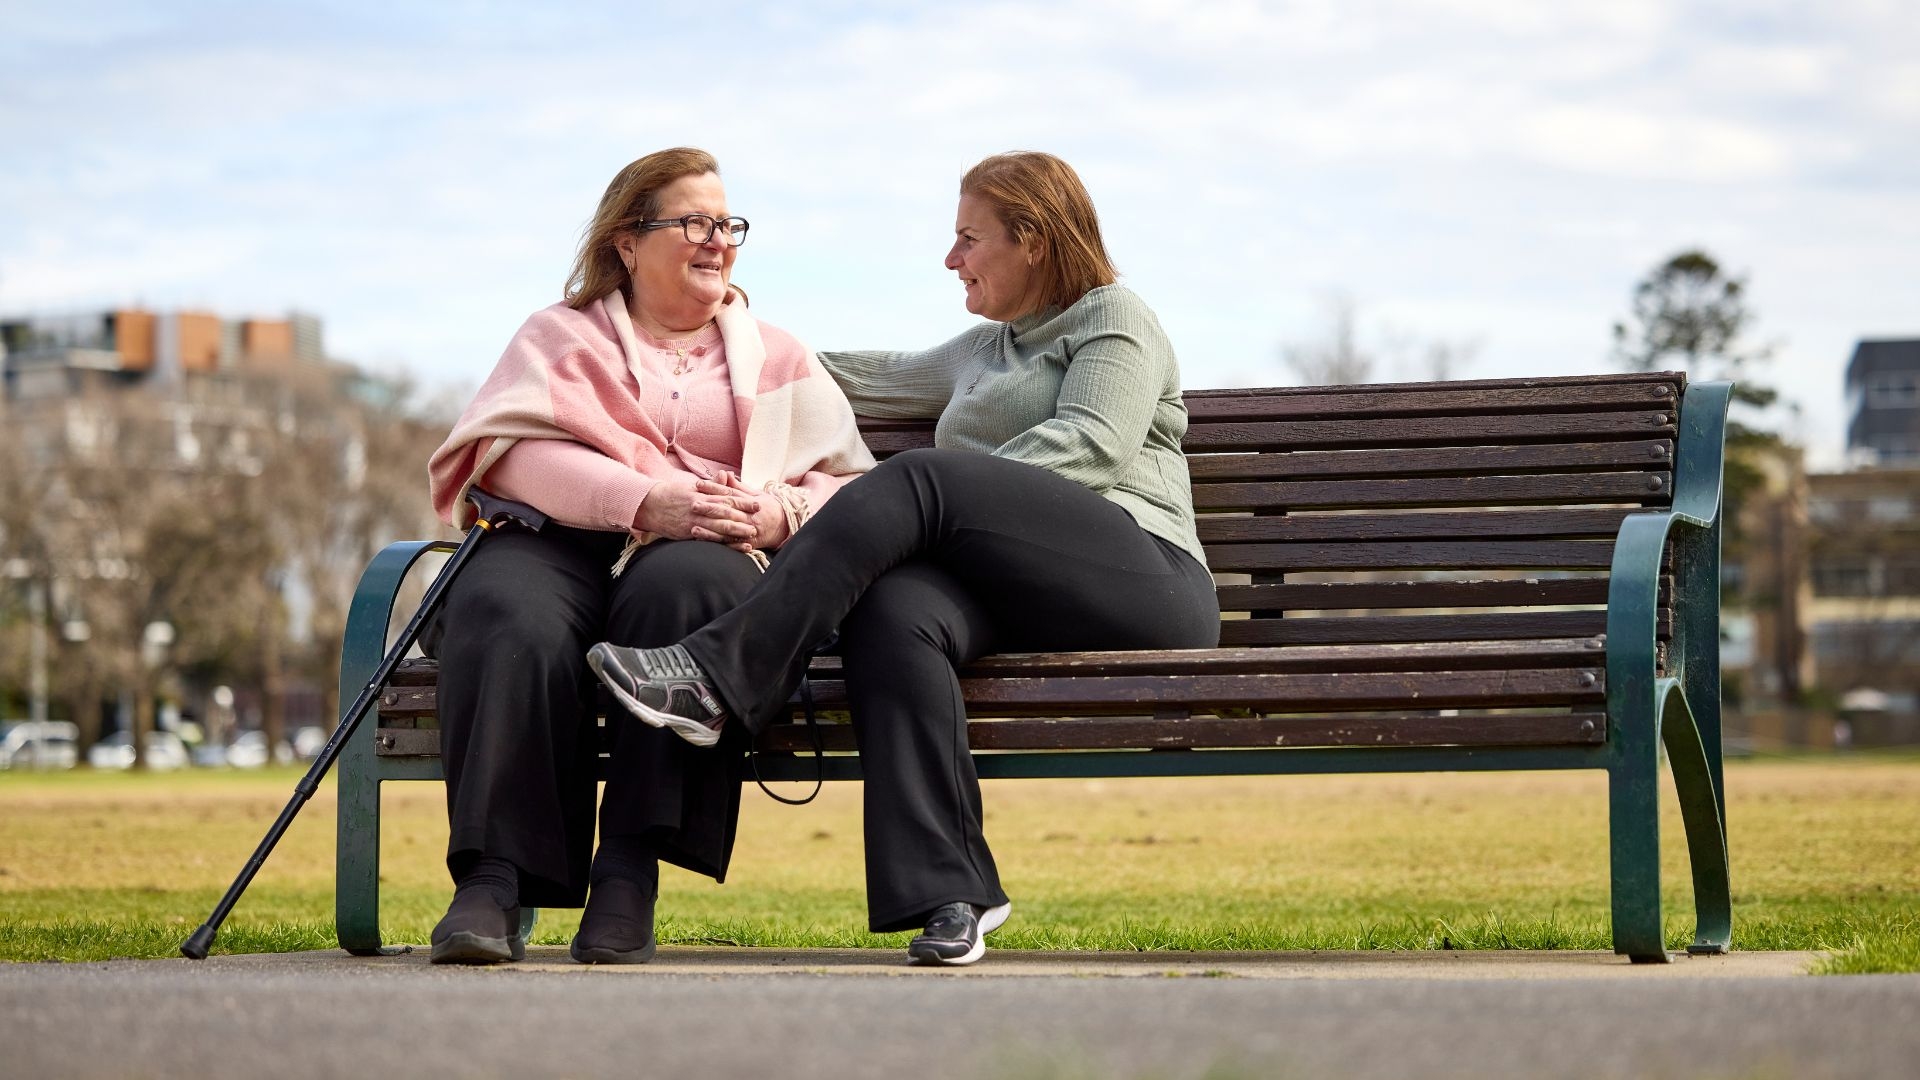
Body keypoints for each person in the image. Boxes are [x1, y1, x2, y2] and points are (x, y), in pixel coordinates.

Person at [587, 151, 1220, 966]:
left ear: (1031, 240)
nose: (950, 259)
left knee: (923, 480)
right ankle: (951, 894)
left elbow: (1091, 448)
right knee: (894, 613)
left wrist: (950, 499)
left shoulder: (1114, 318)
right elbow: (839, 374)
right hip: (1017, 588)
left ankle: (720, 674)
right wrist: (712, 337)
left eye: (968, 239)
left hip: (1147, 578)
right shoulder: (981, 352)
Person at [422, 147, 874, 965]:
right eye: (695, 223)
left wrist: (776, 513)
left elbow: (851, 485)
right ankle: (491, 880)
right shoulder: (558, 336)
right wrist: (641, 501)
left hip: (706, 545)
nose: (719, 241)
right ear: (627, 241)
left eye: (728, 224)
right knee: (503, 608)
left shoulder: (778, 354)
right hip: (560, 536)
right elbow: (508, 453)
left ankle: (628, 871)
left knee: (696, 586)